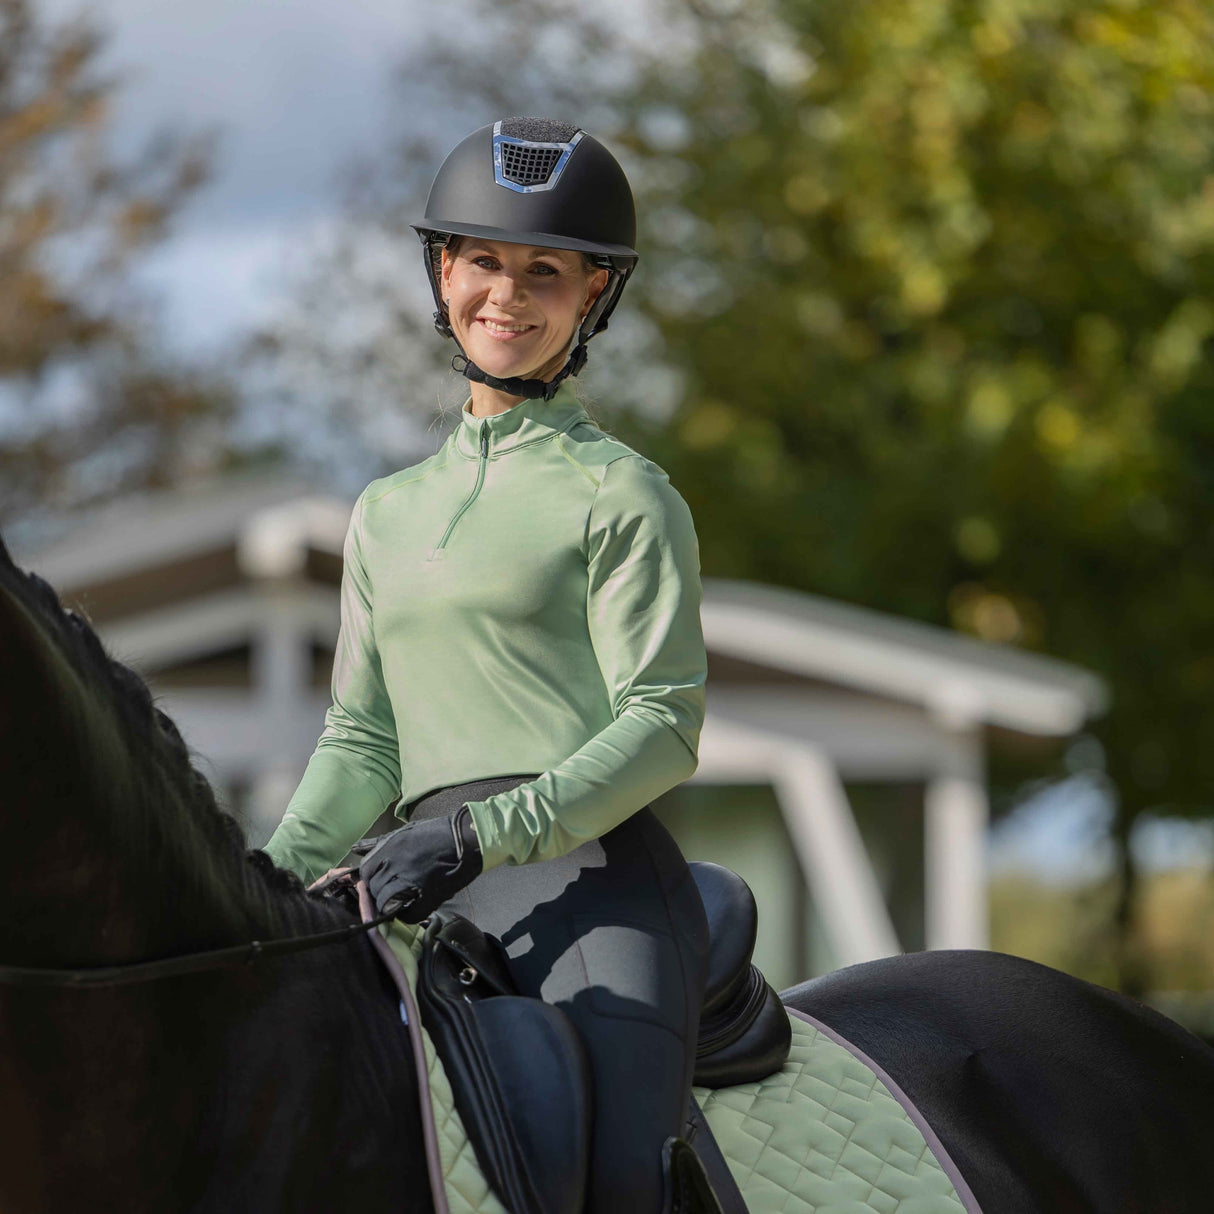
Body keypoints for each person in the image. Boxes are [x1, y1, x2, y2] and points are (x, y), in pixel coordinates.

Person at [263, 117, 712, 1214]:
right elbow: (365, 738)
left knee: (616, 1178)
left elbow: (662, 719)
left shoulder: (624, 494)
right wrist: (264, 880)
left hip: (589, 879)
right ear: (441, 271)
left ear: (592, 296)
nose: (506, 295)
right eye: (482, 263)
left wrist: (478, 832)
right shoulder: (384, 511)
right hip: (411, 870)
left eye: (543, 272)